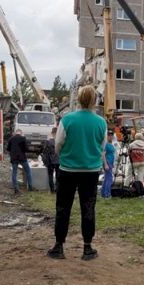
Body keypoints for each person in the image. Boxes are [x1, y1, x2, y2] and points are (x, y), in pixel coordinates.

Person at [47, 86, 107, 261]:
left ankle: (59, 246)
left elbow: (58, 144)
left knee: (63, 207)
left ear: (78, 100)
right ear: (95, 101)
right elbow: (102, 147)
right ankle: (87, 247)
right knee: (88, 208)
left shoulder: (67, 119)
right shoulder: (101, 122)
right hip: (90, 171)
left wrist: (65, 156)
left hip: (68, 170)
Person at [7, 129, 33, 194]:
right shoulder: (23, 138)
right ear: (21, 133)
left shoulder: (11, 139)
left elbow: (8, 149)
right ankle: (30, 187)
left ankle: (16, 189)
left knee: (14, 173)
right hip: (22, 158)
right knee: (28, 171)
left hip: (14, 158)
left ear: (15, 133)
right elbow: (26, 149)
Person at [41, 127, 60, 193]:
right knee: (58, 176)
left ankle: (52, 189)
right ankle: (57, 189)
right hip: (58, 160)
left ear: (52, 133)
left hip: (50, 161)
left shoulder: (48, 142)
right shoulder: (59, 141)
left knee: (50, 175)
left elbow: (45, 152)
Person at [101, 131, 116, 199]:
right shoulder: (106, 144)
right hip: (107, 162)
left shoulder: (111, 144)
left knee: (106, 178)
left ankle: (103, 193)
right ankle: (107, 194)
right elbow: (103, 154)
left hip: (110, 162)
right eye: (109, 135)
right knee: (109, 179)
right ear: (107, 136)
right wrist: (105, 164)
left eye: (112, 135)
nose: (111, 136)